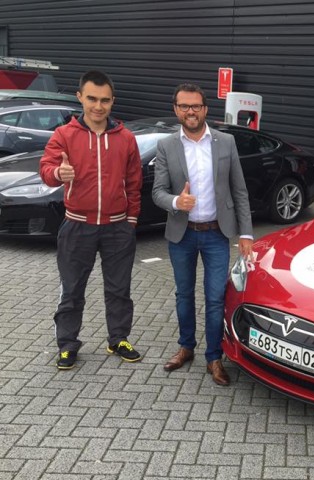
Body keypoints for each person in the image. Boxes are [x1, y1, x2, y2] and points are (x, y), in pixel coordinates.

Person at [39, 70, 143, 370]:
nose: (98, 106)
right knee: (72, 290)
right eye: (92, 99)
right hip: (77, 225)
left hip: (118, 227)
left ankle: (118, 339)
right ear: (80, 97)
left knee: (119, 289)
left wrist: (131, 220)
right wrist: (58, 173)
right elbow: (46, 169)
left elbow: (134, 183)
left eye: (105, 100)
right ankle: (67, 344)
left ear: (112, 101)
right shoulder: (64, 135)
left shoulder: (126, 138)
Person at [152, 82, 253, 386]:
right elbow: (158, 191)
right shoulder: (167, 145)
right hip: (182, 234)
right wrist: (176, 202)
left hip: (216, 234)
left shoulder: (226, 142)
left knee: (215, 298)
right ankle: (186, 347)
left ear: (205, 109)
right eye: (184, 106)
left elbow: (239, 190)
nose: (190, 111)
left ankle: (214, 357)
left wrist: (246, 233)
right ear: (176, 110)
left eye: (195, 105)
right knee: (184, 294)